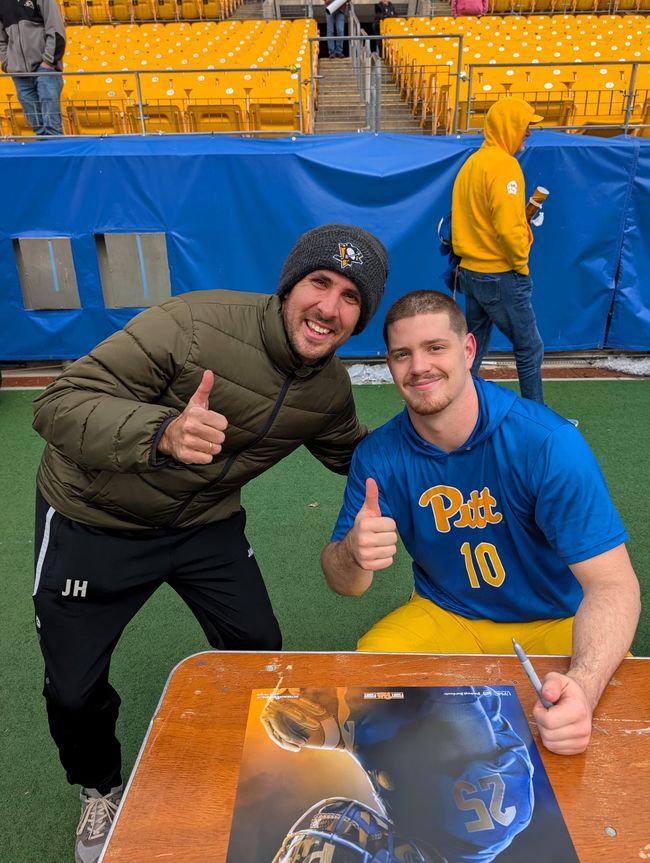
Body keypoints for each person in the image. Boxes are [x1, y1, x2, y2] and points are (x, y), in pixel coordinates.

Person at [31, 223, 389, 863]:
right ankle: (98, 790)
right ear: (289, 286)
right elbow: (59, 403)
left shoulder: (329, 388)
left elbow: (357, 456)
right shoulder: (194, 325)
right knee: (73, 691)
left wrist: (450, 442)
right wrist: (162, 430)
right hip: (95, 518)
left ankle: (265, 770)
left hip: (204, 523)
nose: (329, 308)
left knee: (258, 651)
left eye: (351, 298)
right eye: (319, 283)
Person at [321, 290, 640, 758]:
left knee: (607, 710)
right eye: (402, 354)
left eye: (436, 348)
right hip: (447, 612)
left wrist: (585, 686)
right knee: (368, 674)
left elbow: (614, 586)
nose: (419, 366)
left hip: (555, 618)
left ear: (468, 350)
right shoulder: (378, 455)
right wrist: (353, 551)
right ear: (388, 364)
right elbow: (344, 583)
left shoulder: (546, 443)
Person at [261, 685, 535, 863]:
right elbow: (446, 686)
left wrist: (342, 735)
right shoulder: (474, 830)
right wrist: (356, 722)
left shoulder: (434, 842)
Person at [451, 98, 545, 403]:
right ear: (510, 126)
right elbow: (507, 228)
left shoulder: (472, 163)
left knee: (472, 348)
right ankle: (539, 421)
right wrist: (521, 265)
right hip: (499, 274)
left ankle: (456, 411)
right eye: (526, 125)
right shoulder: (504, 165)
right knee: (529, 348)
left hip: (471, 273)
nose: (529, 133)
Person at [0, 0, 65, 136]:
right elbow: (1, 40)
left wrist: (48, 61)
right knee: (37, 127)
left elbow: (55, 27)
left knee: (52, 127)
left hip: (45, 67)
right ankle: (44, 153)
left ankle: (56, 153)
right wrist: (8, 63)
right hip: (19, 73)